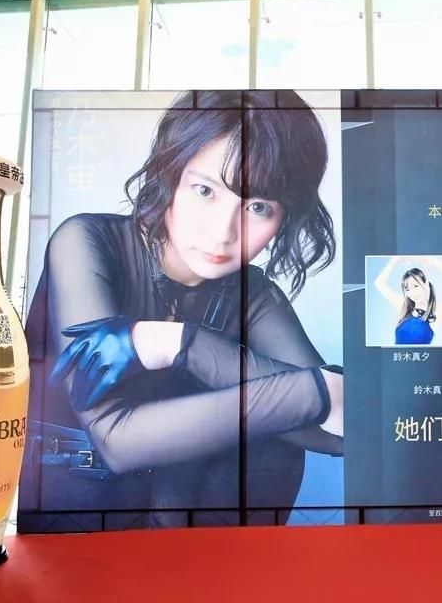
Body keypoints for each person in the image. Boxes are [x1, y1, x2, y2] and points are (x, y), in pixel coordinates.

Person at [21, 91, 344, 525]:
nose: (223, 231)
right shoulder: (86, 242)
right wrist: (315, 392)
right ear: (169, 174)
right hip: (74, 521)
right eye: (205, 190)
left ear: (284, 217)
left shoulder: (252, 294)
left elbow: (343, 433)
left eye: (258, 207)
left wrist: (181, 345)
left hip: (189, 530)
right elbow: (117, 440)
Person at [373, 256, 442, 345]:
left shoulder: (436, 316)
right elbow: (379, 283)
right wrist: (395, 259)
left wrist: (432, 260)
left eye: (416, 286)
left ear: (426, 284)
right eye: (407, 289)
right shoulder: (404, 307)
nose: (412, 293)